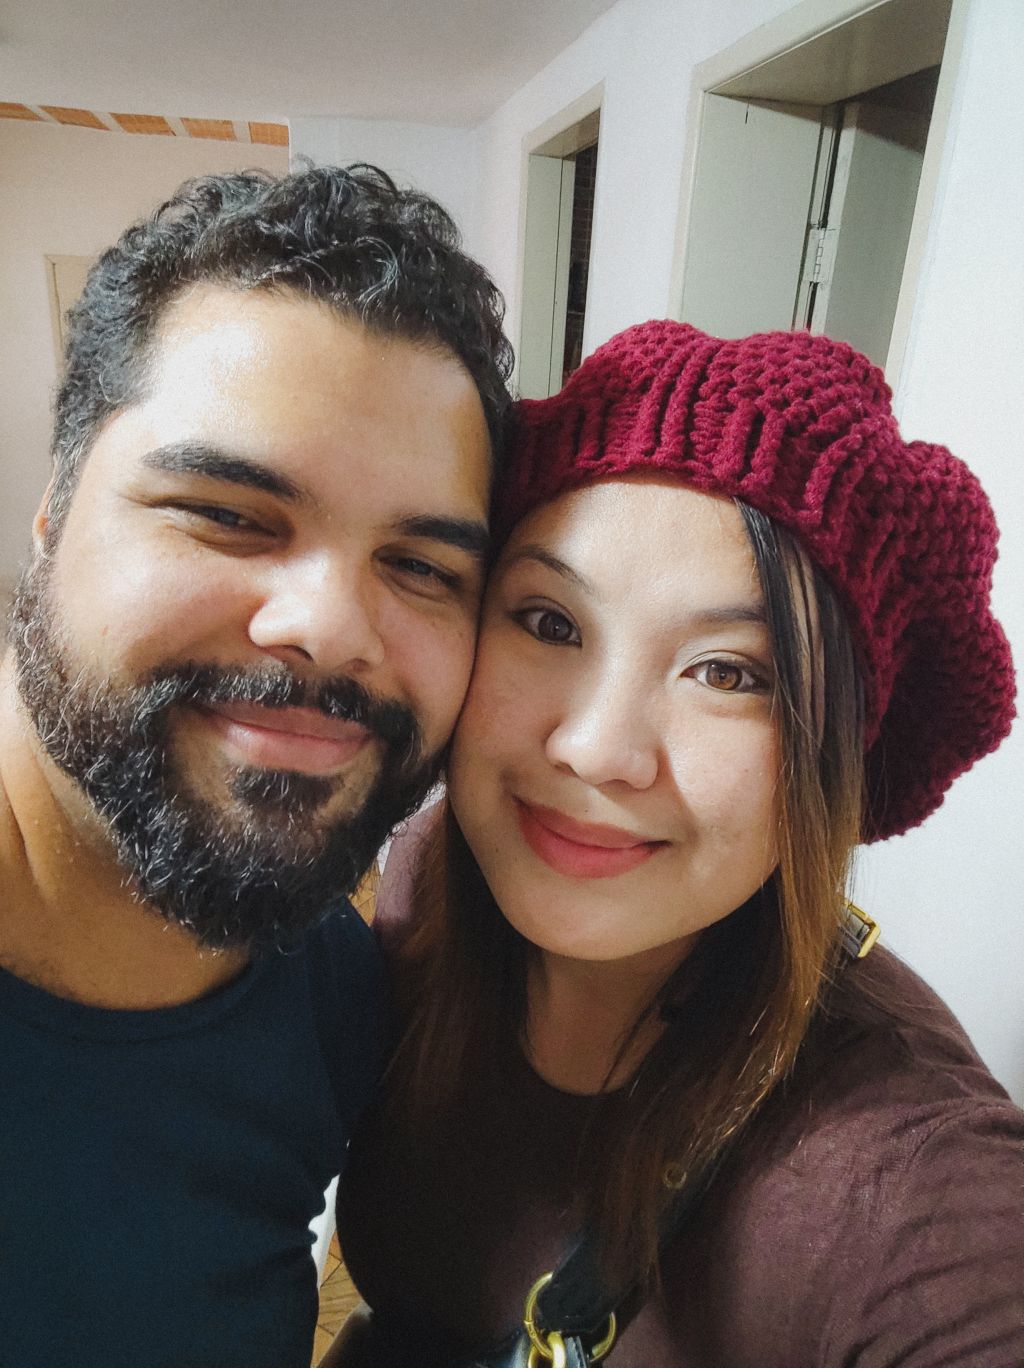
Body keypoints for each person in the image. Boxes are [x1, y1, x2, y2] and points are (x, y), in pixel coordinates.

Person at [332, 322, 1023, 1367]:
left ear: (833, 757)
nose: (597, 749)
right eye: (549, 622)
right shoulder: (433, 876)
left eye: (729, 672)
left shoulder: (910, 1188)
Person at [0, 164, 511, 1368]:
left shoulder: (336, 1001)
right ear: (53, 514)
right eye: (228, 513)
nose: (332, 628)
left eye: (424, 568)